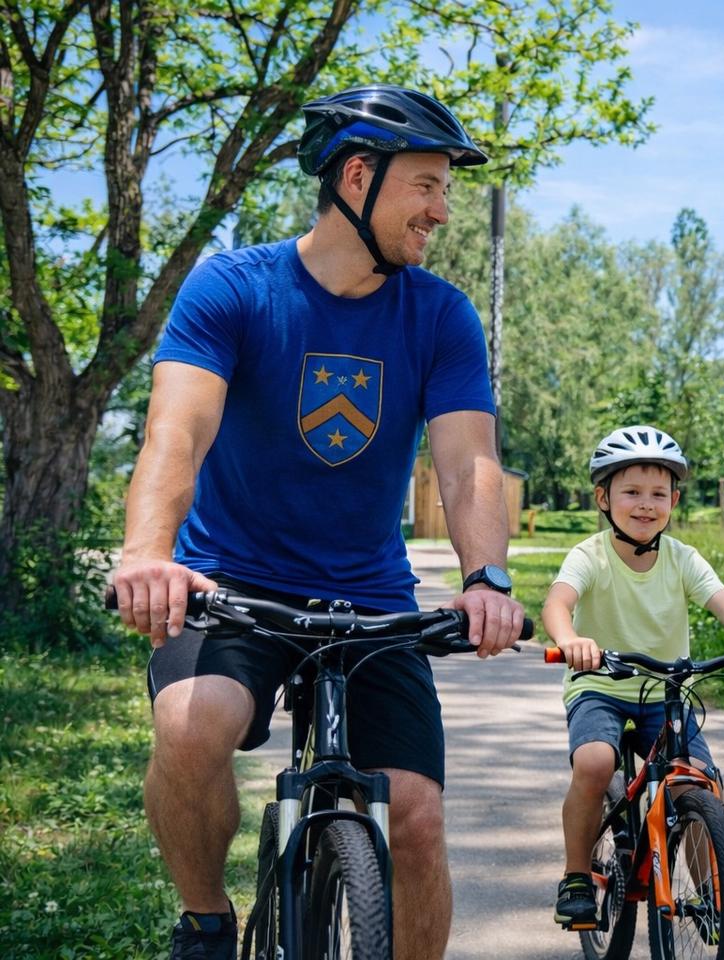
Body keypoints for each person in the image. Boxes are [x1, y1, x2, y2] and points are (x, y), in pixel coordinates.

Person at [109, 85, 526, 960]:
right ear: (357, 176)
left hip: (371, 599)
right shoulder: (233, 286)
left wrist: (486, 577)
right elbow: (177, 431)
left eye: (447, 191)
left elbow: (468, 463)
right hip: (231, 585)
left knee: (412, 814)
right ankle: (206, 923)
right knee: (190, 729)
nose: (442, 212)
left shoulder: (441, 315)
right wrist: (149, 555)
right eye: (426, 186)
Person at [542, 425, 724, 929]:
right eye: (632, 492)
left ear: (674, 500)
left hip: (666, 691)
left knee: (698, 785)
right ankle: (577, 875)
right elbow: (559, 602)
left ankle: (707, 890)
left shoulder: (682, 558)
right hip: (600, 684)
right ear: (603, 497)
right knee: (596, 763)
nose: (646, 505)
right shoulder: (590, 555)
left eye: (658, 494)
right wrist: (570, 639)